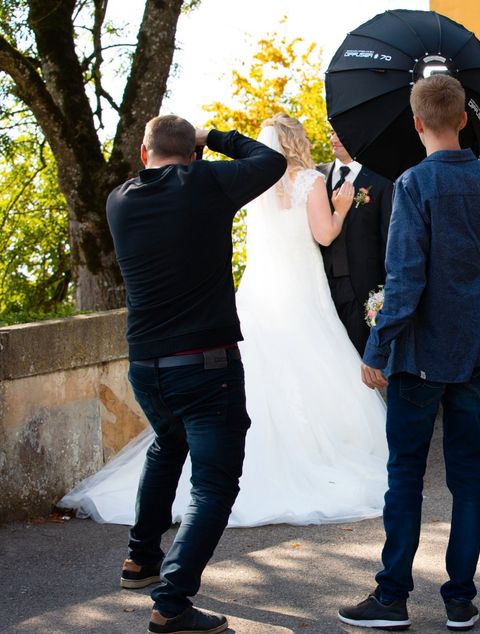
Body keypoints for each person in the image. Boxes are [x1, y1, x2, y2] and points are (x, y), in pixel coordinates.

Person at [60, 114, 389, 528]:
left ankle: (147, 544)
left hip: (256, 292)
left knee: (246, 384)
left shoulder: (135, 198)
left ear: (145, 153)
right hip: (301, 289)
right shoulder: (308, 181)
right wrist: (340, 209)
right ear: (296, 142)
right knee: (313, 363)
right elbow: (324, 236)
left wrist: (201, 144)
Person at [104, 115, 285, 634]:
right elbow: (270, 161)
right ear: (194, 153)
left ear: (143, 153)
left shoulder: (119, 200)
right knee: (213, 486)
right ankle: (172, 604)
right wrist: (213, 139)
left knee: (167, 442)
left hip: (146, 366)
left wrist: (189, 149)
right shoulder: (204, 184)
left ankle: (140, 560)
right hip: (206, 366)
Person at [337, 74, 480, 633]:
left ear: (415, 124)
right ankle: (460, 599)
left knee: (406, 473)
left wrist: (377, 347)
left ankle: (392, 597)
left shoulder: (412, 184)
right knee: (467, 475)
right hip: (473, 344)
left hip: (421, 353)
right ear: (463, 118)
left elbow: (405, 278)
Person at [318, 129, 393, 355]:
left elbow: (387, 240)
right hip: (320, 287)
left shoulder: (380, 181)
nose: (334, 138)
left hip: (363, 290)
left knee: (360, 362)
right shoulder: (315, 178)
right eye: (331, 132)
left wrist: (386, 291)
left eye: (341, 133)